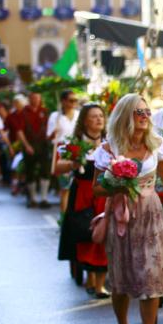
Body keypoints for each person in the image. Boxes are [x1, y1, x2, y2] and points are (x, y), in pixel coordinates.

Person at [93, 94, 163, 324]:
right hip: (122, 215)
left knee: (151, 277)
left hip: (151, 214)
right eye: (138, 112)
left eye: (147, 112)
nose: (144, 116)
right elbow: (96, 188)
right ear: (125, 116)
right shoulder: (109, 149)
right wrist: (117, 184)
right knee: (121, 277)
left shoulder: (157, 145)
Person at [55, 103, 109, 298]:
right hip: (83, 193)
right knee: (86, 233)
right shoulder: (75, 142)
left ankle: (101, 284)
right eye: (94, 116)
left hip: (103, 193)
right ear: (85, 120)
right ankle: (91, 278)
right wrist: (74, 162)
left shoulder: (109, 141)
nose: (98, 119)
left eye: (101, 116)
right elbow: (58, 167)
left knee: (103, 235)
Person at [18, 92, 52, 208]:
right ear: (29, 98)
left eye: (38, 97)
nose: (36, 100)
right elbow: (20, 131)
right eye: (33, 98)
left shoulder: (45, 111)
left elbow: (49, 128)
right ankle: (32, 198)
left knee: (45, 170)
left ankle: (44, 198)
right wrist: (26, 145)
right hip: (30, 144)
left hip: (43, 145)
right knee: (30, 171)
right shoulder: (24, 112)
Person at [48, 90, 80, 212]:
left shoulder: (79, 115)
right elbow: (49, 137)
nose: (74, 103)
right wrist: (54, 132)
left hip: (77, 150)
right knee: (65, 187)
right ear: (63, 101)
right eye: (71, 100)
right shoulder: (55, 116)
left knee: (76, 186)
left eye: (75, 100)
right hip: (62, 151)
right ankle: (64, 218)